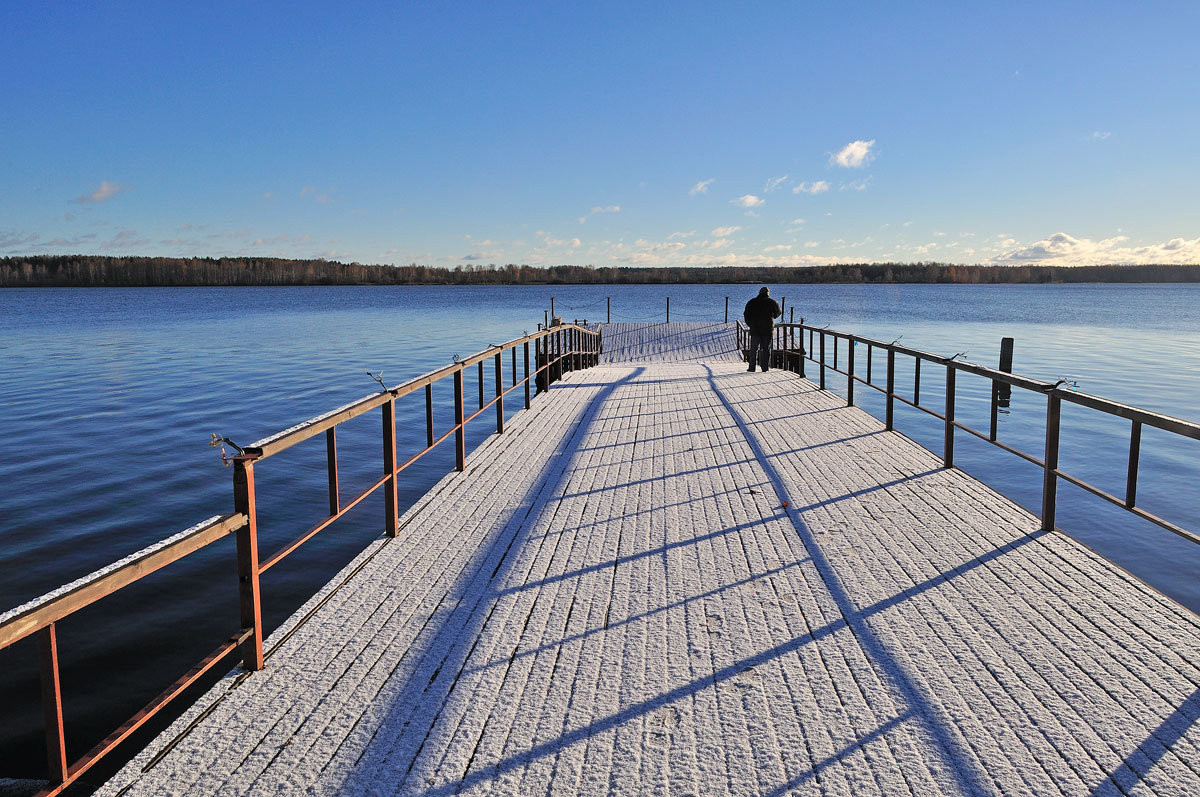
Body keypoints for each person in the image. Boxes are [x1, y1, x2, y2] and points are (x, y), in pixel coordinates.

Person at [743, 287, 781, 372]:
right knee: (766, 349)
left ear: (759, 293)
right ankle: (765, 368)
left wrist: (750, 324)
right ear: (768, 293)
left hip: (755, 329)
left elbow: (746, 314)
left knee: (753, 349)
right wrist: (773, 316)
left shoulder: (752, 302)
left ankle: (752, 368)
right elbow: (778, 312)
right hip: (767, 329)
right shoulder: (772, 302)